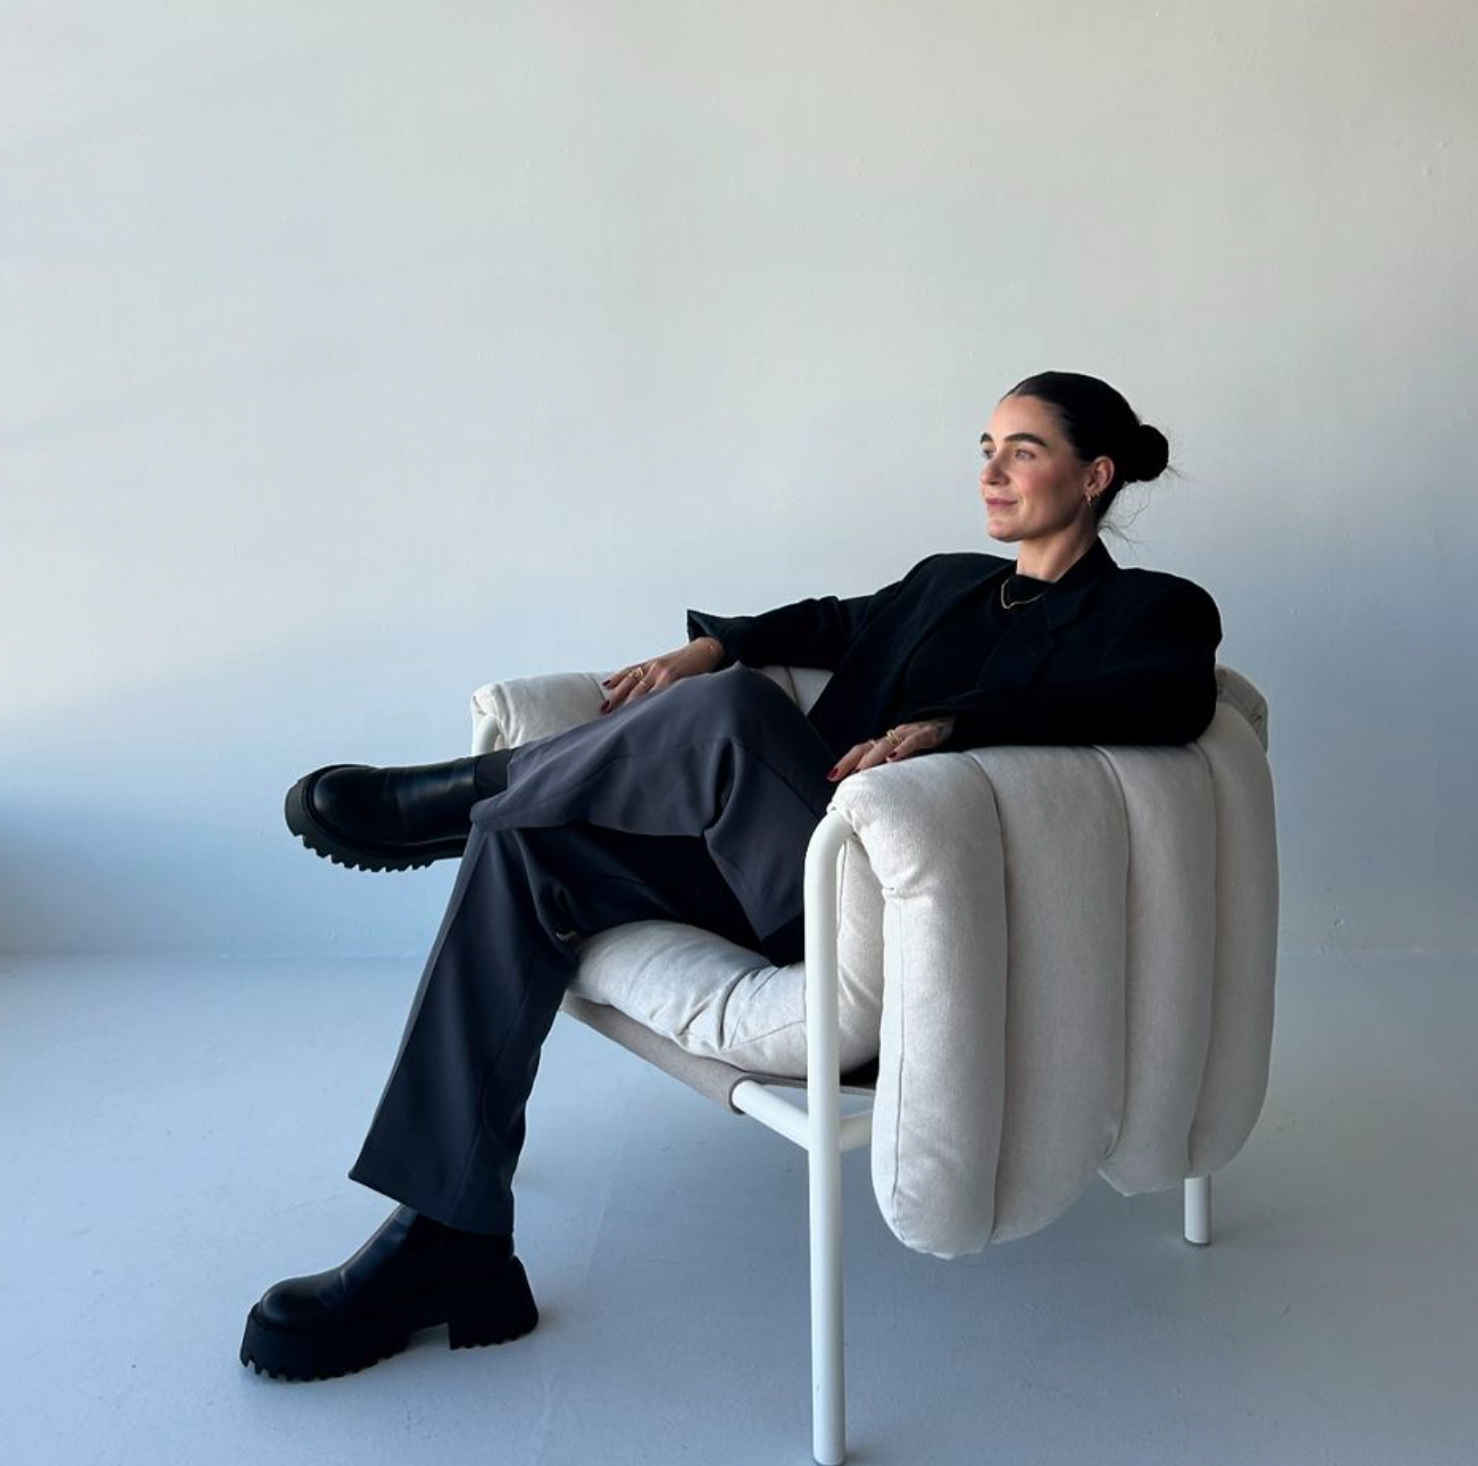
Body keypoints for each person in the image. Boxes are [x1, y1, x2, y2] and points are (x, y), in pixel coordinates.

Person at [239, 370, 1223, 1381]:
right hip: (758, 867)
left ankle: (457, 798)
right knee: (526, 851)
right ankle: (447, 1237)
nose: (991, 471)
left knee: (739, 713)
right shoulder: (945, 582)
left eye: (1022, 450)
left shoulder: (1149, 610)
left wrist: (956, 725)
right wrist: (705, 646)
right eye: (984, 446)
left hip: (875, 904)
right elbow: (826, 622)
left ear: (1093, 474)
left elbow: (1169, 699)